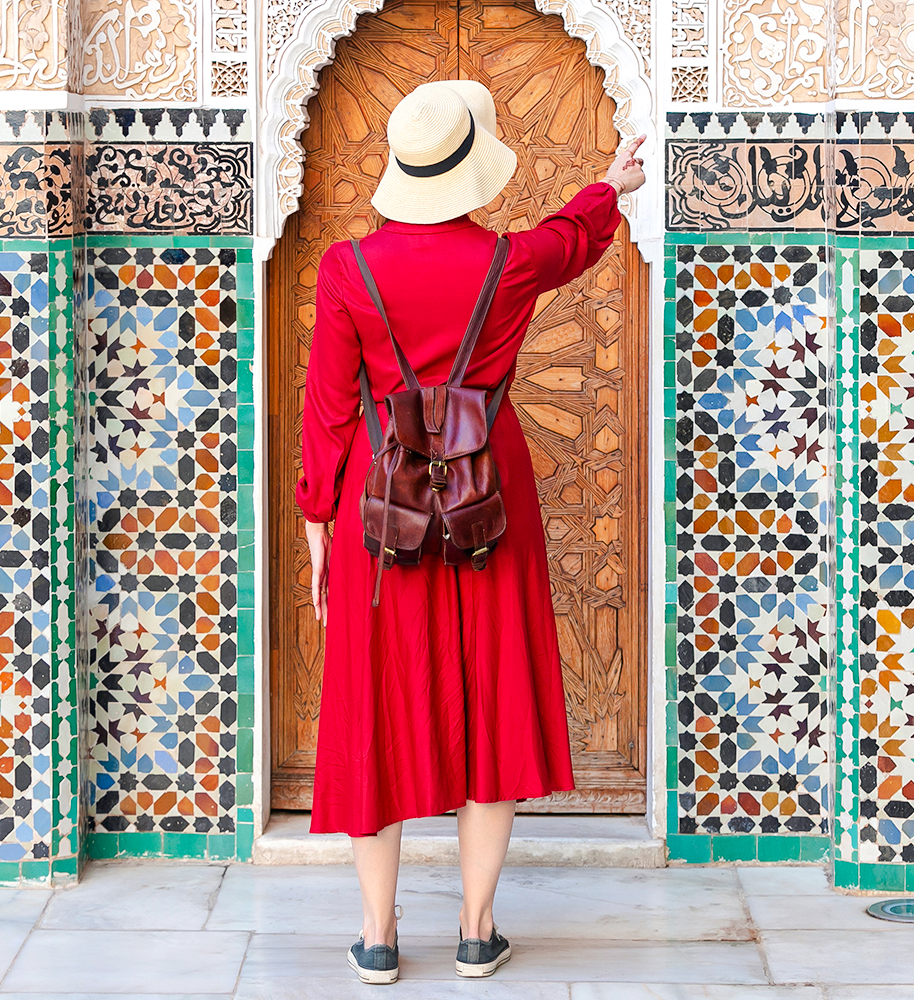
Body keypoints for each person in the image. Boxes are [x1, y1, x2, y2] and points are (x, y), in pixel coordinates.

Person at [295, 78, 646, 985]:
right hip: (492, 501)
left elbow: (330, 410)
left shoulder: (347, 269)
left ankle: (377, 937)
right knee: (489, 700)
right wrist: (610, 184)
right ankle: (475, 930)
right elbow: (570, 240)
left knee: (375, 706)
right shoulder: (509, 261)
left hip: (382, 514)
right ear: (467, 172)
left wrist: (317, 526)